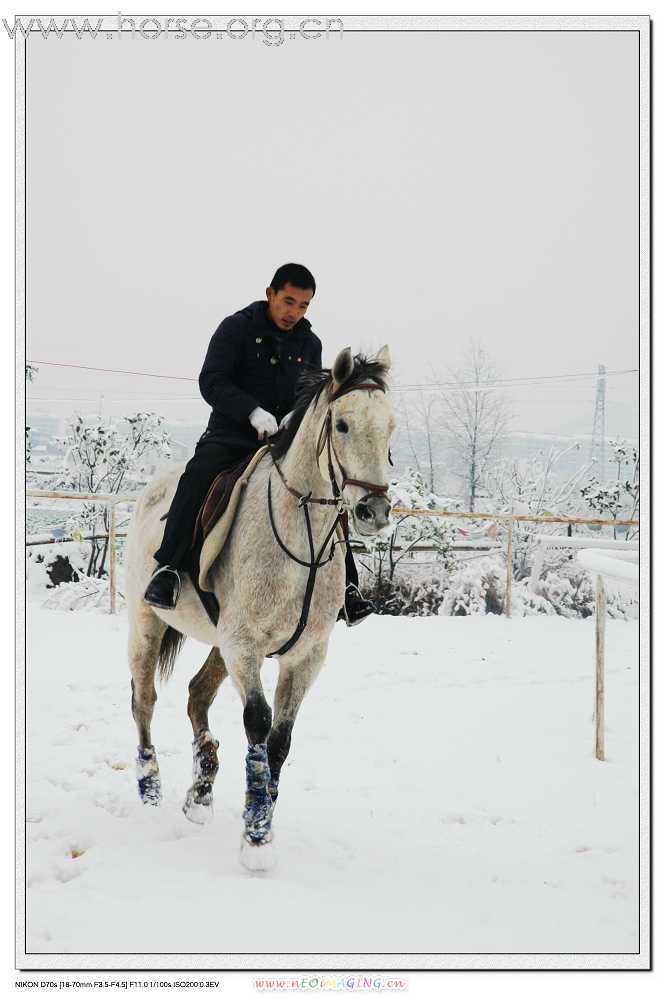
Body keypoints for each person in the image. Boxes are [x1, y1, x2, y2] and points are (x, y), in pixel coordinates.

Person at [143, 262, 375, 626]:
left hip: (286, 443)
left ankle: (348, 588)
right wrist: (251, 412)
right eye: (288, 302)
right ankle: (168, 569)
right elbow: (212, 380)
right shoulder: (235, 329)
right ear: (270, 294)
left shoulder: (310, 343)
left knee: (329, 494)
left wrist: (294, 418)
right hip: (231, 436)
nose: (293, 312)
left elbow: (308, 396)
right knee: (197, 477)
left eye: (303, 305)